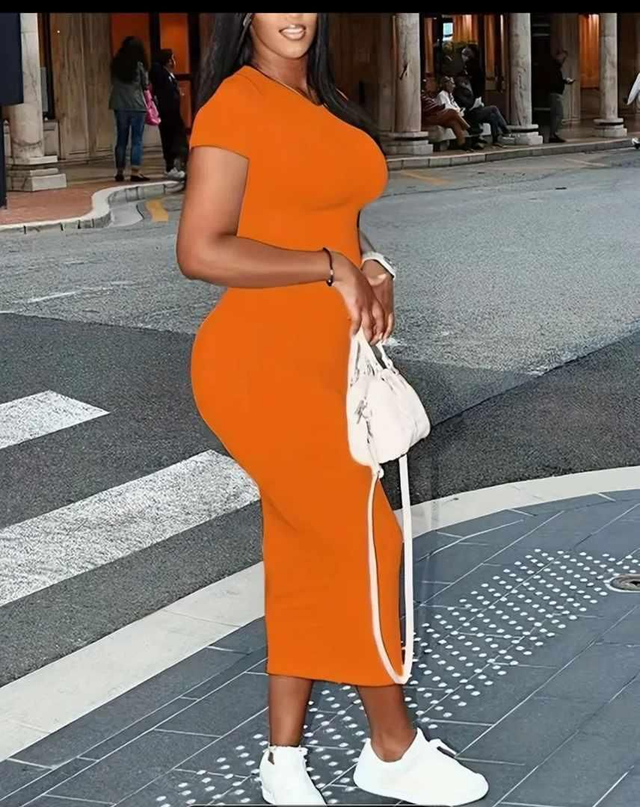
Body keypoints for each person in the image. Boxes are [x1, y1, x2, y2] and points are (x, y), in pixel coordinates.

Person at [177, 12, 489, 807]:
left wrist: (370, 262)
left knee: (305, 548)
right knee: (365, 540)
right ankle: (392, 747)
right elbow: (201, 248)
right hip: (258, 367)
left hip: (328, 365)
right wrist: (329, 268)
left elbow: (335, 215)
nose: (295, 15)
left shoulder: (322, 102)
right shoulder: (235, 105)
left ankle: (283, 760)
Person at [109, 36, 152, 182]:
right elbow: (145, 85)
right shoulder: (139, 65)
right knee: (136, 140)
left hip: (119, 104)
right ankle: (135, 171)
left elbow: (112, 81)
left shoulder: (116, 64)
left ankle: (119, 171)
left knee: (121, 139)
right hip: (137, 105)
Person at [149, 49, 187, 179]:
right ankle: (171, 167)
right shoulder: (161, 74)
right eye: (172, 58)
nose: (174, 61)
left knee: (177, 140)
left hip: (173, 113)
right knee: (170, 140)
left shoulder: (169, 75)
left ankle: (177, 165)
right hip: (167, 113)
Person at [454, 74, 510, 147]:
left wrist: (478, 103)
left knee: (493, 117)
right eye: (464, 82)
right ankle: (505, 129)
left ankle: (495, 139)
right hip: (469, 114)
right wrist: (474, 103)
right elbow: (466, 105)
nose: (466, 84)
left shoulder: (468, 91)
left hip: (475, 111)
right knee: (494, 108)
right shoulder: (458, 93)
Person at [428, 76, 472, 150]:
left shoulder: (450, 95)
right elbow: (447, 108)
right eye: (452, 84)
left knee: (454, 123)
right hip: (439, 117)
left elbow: (455, 106)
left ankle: (462, 144)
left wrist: (459, 110)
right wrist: (457, 110)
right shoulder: (441, 94)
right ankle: (468, 127)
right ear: (446, 84)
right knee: (452, 112)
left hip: (447, 118)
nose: (454, 86)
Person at [546, 48, 574, 143]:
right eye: (563, 58)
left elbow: (555, 80)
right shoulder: (553, 67)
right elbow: (553, 81)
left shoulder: (556, 67)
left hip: (555, 92)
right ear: (558, 55)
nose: (563, 60)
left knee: (557, 114)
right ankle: (553, 135)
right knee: (558, 114)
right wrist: (563, 82)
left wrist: (564, 81)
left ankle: (553, 134)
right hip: (554, 93)